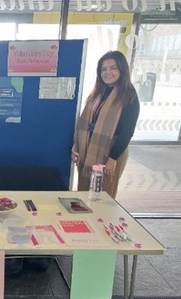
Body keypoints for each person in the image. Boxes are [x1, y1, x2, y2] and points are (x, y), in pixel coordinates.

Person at [71, 50, 140, 199]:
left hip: (111, 151)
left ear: (122, 69)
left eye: (113, 68)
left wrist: (112, 159)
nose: (107, 72)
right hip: (89, 151)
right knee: (84, 192)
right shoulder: (97, 93)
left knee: (104, 195)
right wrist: (76, 148)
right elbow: (85, 123)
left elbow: (127, 132)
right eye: (103, 69)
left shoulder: (129, 96)